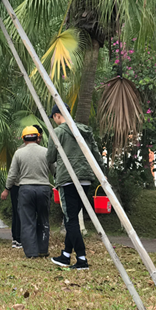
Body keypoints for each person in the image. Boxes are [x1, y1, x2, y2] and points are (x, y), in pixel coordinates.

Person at [47, 103, 102, 270]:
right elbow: (96, 153)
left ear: (57, 115)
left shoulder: (57, 132)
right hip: (85, 178)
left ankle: (81, 258)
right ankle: (65, 255)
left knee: (70, 220)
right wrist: (101, 172)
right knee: (72, 218)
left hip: (68, 179)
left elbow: (50, 157)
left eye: (54, 118)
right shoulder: (84, 130)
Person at [1, 126, 53, 258]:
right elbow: (55, 170)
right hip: (43, 189)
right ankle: (43, 250)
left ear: (23, 139)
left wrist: (7, 189)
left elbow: (12, 174)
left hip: (26, 190)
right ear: (38, 137)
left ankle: (31, 252)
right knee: (43, 219)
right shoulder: (46, 151)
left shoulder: (19, 153)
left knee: (27, 221)